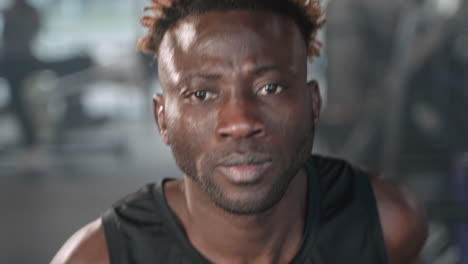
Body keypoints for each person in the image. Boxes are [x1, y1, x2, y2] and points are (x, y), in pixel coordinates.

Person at [51, 0, 427, 263]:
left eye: (270, 88)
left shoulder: (387, 225)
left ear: (314, 105)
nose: (241, 122)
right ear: (162, 119)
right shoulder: (98, 258)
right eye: (201, 93)